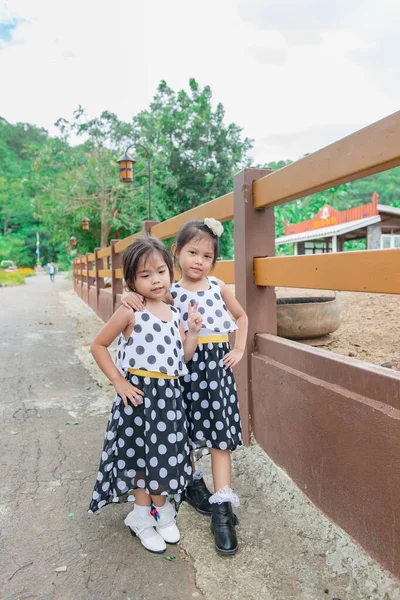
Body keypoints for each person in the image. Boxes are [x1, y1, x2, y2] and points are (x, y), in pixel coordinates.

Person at [122, 218, 248, 555]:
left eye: (207, 256)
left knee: (220, 435)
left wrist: (238, 348)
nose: (199, 261)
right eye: (192, 252)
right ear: (176, 253)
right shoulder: (167, 292)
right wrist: (127, 295)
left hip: (217, 371)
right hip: (183, 372)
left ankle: (222, 509)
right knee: (182, 433)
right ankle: (192, 484)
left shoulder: (219, 287)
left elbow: (242, 317)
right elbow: (141, 298)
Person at [88, 236, 203, 554]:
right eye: (145, 275)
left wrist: (193, 330)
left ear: (170, 270)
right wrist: (119, 383)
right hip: (138, 399)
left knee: (164, 456)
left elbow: (184, 356)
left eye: (161, 271)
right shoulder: (130, 310)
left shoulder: (174, 312)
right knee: (140, 457)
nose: (155, 280)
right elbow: (98, 345)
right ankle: (141, 517)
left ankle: (162, 513)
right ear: (132, 281)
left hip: (169, 399)